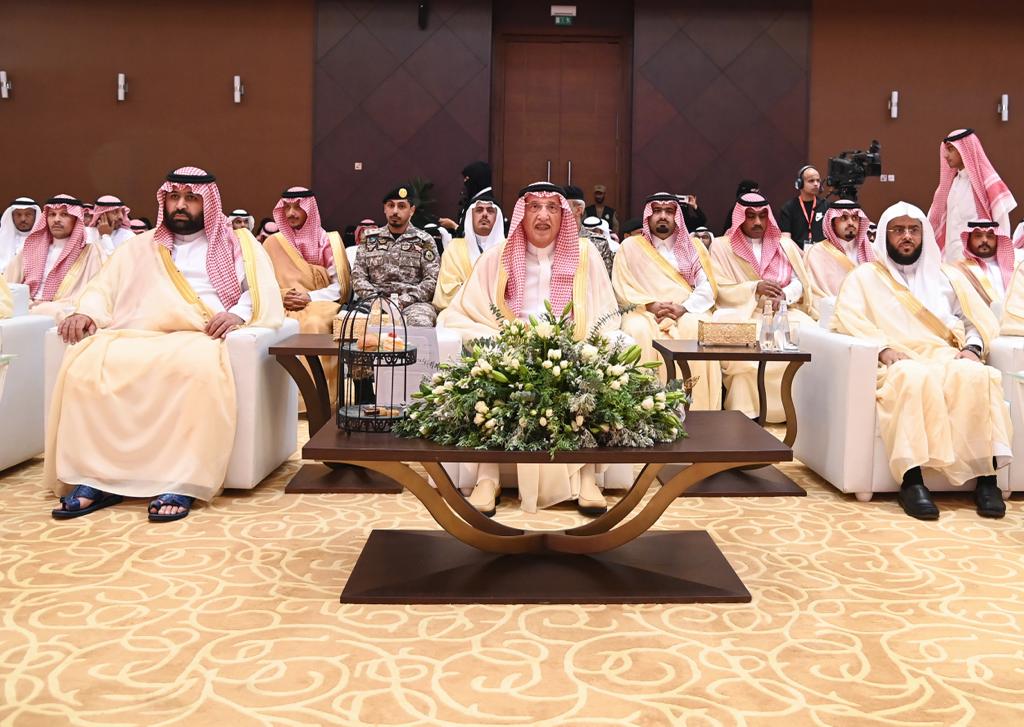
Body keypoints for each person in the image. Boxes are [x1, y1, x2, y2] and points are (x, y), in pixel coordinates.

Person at [47, 166, 284, 522]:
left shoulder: (238, 244)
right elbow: (102, 288)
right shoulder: (139, 247)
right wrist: (87, 312)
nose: (181, 205)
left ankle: (181, 480)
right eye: (174, 197)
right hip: (136, 331)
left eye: (191, 198)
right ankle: (97, 478)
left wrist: (238, 314)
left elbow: (259, 290)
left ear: (208, 202)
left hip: (199, 333)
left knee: (193, 369)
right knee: (86, 367)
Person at [440, 181, 626, 515]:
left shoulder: (586, 255)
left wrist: (578, 341)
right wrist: (502, 336)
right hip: (510, 341)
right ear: (521, 214)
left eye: (552, 208)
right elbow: (463, 311)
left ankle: (587, 476)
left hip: (570, 342)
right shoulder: (497, 256)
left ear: (564, 215)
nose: (543, 216)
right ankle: (487, 477)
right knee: (491, 364)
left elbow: (606, 313)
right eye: (534, 207)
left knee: (589, 364)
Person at [832, 201, 1010, 520]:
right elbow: (848, 318)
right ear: (885, 236)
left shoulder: (946, 276)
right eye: (898, 230)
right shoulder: (864, 278)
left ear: (923, 234)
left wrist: (972, 348)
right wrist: (883, 348)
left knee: (977, 376)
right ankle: (912, 482)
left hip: (943, 355)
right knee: (912, 377)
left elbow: (975, 320)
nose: (907, 236)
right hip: (895, 360)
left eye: (914, 230)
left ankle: (987, 480)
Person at [710, 193, 817, 421]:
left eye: (762, 216)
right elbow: (719, 288)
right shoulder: (721, 246)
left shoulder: (785, 245)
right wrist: (754, 288)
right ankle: (747, 414)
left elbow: (800, 282)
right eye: (750, 216)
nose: (757, 222)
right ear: (740, 218)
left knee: (812, 337)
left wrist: (785, 296)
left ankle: (797, 414)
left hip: (783, 311)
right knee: (747, 359)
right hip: (744, 312)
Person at [613, 192, 721, 408]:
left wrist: (684, 307)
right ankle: (642, 409)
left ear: (677, 216)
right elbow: (621, 284)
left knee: (699, 327)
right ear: (648, 216)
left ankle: (697, 407)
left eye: (669, 211)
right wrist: (650, 305)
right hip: (643, 311)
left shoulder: (694, 246)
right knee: (636, 329)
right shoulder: (630, 246)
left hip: (685, 311)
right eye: (657, 211)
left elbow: (707, 286)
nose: (663, 216)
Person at [4, 195, 109, 320]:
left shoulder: (90, 252)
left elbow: (96, 294)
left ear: (76, 219)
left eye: (64, 214)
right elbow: (6, 285)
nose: (56, 219)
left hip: (62, 309)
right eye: (52, 214)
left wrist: (44, 307)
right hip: (25, 306)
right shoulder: (31, 249)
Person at [351, 185, 439, 326]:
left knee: (420, 324)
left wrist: (404, 300)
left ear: (412, 210)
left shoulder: (424, 240)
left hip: (413, 304)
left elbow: (432, 280)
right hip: (374, 301)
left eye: (401, 206)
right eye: (391, 205)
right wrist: (377, 300)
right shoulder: (369, 239)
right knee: (354, 324)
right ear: (384, 209)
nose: (395, 211)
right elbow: (357, 276)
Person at [928, 129, 1016, 262]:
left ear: (965, 150)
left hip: (980, 263)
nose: (945, 155)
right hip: (952, 261)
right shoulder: (950, 185)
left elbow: (1002, 226)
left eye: (951, 149)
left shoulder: (987, 184)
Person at [433, 193, 505, 311]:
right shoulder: (454, 248)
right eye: (479, 210)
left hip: (499, 313)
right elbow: (447, 289)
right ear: (471, 216)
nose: (485, 214)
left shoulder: (508, 249)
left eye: (490, 210)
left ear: (497, 218)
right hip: (461, 312)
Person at [804, 199, 874, 302]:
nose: (851, 223)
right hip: (831, 308)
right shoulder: (816, 253)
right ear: (832, 223)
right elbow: (814, 294)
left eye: (855, 218)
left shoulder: (873, 251)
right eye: (844, 218)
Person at [952, 220, 1022, 313]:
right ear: (968, 240)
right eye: (978, 235)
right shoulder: (958, 270)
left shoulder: (1016, 268)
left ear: (997, 239)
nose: (984, 240)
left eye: (990, 236)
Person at [777, 166, 828, 249]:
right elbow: (786, 240)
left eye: (818, 180)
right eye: (811, 181)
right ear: (800, 183)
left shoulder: (826, 206)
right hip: (797, 254)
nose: (816, 184)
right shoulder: (788, 208)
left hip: (822, 253)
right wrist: (803, 254)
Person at [439, 161, 492, 236]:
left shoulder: (483, 203)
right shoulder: (478, 200)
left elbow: (477, 236)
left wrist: (453, 226)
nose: (465, 182)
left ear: (476, 178)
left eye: (467, 178)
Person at [0, 197, 40, 272]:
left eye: (28, 214)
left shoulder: (44, 241)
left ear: (35, 216)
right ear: (12, 216)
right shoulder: (2, 239)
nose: (23, 219)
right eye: (18, 214)